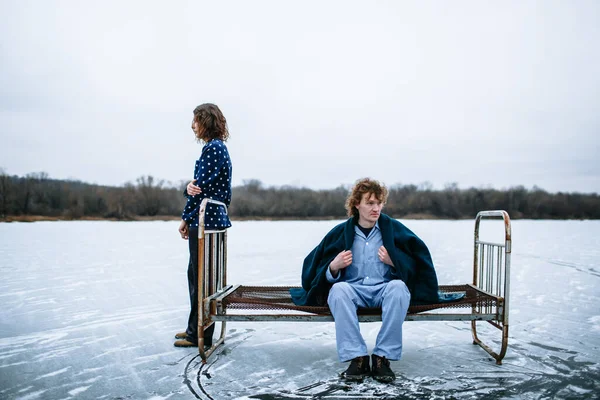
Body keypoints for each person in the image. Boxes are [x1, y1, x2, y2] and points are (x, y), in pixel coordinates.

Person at [290, 178, 449, 383]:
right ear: (357, 204)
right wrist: (333, 266)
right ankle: (357, 358)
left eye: (379, 203)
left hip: (384, 289)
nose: (376, 208)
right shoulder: (341, 232)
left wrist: (395, 262)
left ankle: (382, 357)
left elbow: (418, 263)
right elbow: (314, 265)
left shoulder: (393, 229)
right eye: (370, 203)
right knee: (338, 291)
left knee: (399, 288)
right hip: (354, 290)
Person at [174, 103, 232, 348]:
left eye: (196, 120)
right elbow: (197, 187)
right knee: (198, 274)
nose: (192, 126)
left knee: (201, 277)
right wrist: (189, 187)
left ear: (206, 121)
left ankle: (199, 333)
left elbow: (200, 190)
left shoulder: (214, 149)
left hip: (206, 219)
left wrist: (186, 217)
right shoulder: (216, 148)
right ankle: (194, 327)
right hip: (209, 218)